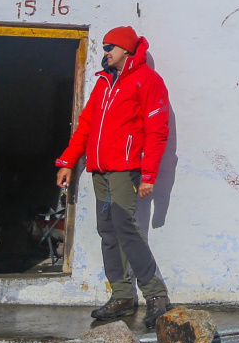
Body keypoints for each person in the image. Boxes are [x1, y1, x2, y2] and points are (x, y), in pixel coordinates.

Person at [56, 25, 172, 326]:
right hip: (99, 169)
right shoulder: (105, 82)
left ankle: (156, 294)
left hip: (125, 169)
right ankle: (121, 295)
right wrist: (68, 161)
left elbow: (157, 131)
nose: (105, 52)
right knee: (106, 229)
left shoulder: (147, 80)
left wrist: (149, 175)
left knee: (126, 228)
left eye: (110, 47)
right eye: (105, 47)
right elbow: (86, 124)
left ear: (126, 50)